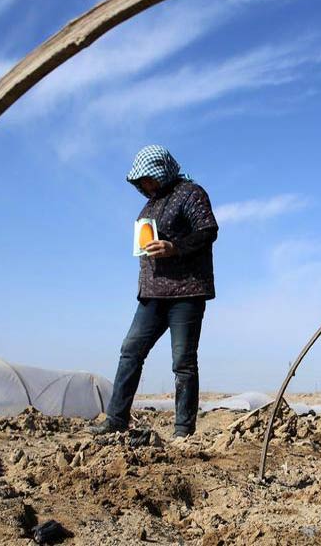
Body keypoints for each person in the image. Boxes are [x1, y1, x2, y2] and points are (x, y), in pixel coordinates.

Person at [90, 145, 218, 438]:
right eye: (140, 182)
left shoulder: (190, 193)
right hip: (152, 294)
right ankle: (116, 419)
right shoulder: (149, 206)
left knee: (183, 362)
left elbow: (207, 231)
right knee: (130, 351)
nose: (144, 186)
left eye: (147, 178)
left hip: (186, 292)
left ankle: (183, 431)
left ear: (161, 170)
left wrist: (175, 248)